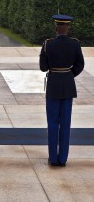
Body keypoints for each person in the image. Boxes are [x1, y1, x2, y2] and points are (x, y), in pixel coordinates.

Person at [39, 14, 84, 167]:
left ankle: (53, 159)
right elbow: (80, 64)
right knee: (65, 123)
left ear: (56, 28)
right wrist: (70, 74)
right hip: (68, 85)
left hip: (53, 86)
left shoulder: (48, 44)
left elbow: (43, 67)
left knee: (52, 123)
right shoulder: (75, 44)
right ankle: (62, 159)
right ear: (68, 29)